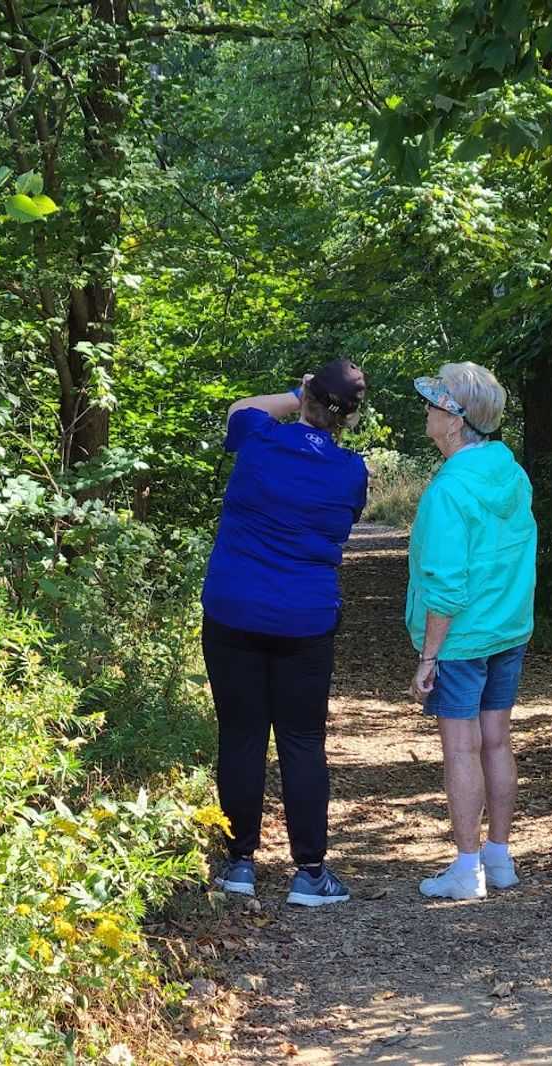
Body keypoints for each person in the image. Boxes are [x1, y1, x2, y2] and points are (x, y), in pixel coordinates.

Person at [201, 359, 367, 907]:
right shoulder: (351, 471)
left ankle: (239, 866)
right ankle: (310, 874)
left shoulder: (259, 439)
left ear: (306, 394)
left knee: (241, 735)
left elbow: (240, 408)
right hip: (305, 620)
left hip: (233, 611)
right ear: (350, 417)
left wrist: (299, 397)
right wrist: (321, 408)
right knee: (302, 740)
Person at [406, 362, 537, 901]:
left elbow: (446, 584)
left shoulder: (448, 491)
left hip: (462, 640)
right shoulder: (511, 473)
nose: (427, 412)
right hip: (508, 629)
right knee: (497, 740)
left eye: (435, 405)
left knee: (461, 749)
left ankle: (466, 870)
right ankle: (498, 858)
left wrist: (428, 656)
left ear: (456, 422)